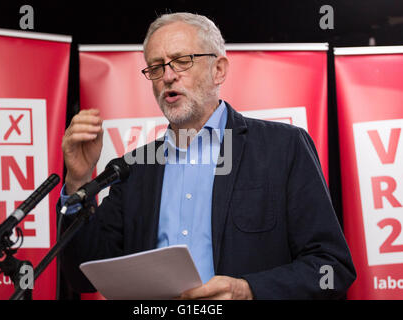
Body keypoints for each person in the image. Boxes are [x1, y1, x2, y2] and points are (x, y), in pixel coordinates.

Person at [59, 12, 356, 299]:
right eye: (157, 67)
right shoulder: (134, 168)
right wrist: (78, 180)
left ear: (219, 70)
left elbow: (331, 267)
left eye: (181, 61)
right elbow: (83, 275)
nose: (168, 76)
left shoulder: (284, 147)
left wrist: (249, 291)